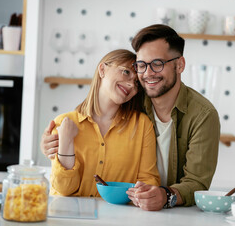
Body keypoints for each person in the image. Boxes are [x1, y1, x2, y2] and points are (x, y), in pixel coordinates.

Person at [41, 24, 220, 210]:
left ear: (180, 65)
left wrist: (165, 195)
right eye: (141, 65)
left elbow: (197, 183)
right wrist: (53, 143)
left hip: (170, 210)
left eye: (157, 64)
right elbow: (93, 114)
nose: (148, 74)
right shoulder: (131, 97)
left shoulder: (203, 115)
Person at [48, 49, 160, 197]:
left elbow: (148, 181)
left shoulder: (142, 125)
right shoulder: (63, 123)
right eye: (126, 72)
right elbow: (64, 189)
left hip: (117, 218)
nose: (131, 85)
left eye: (137, 83)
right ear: (102, 69)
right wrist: (66, 142)